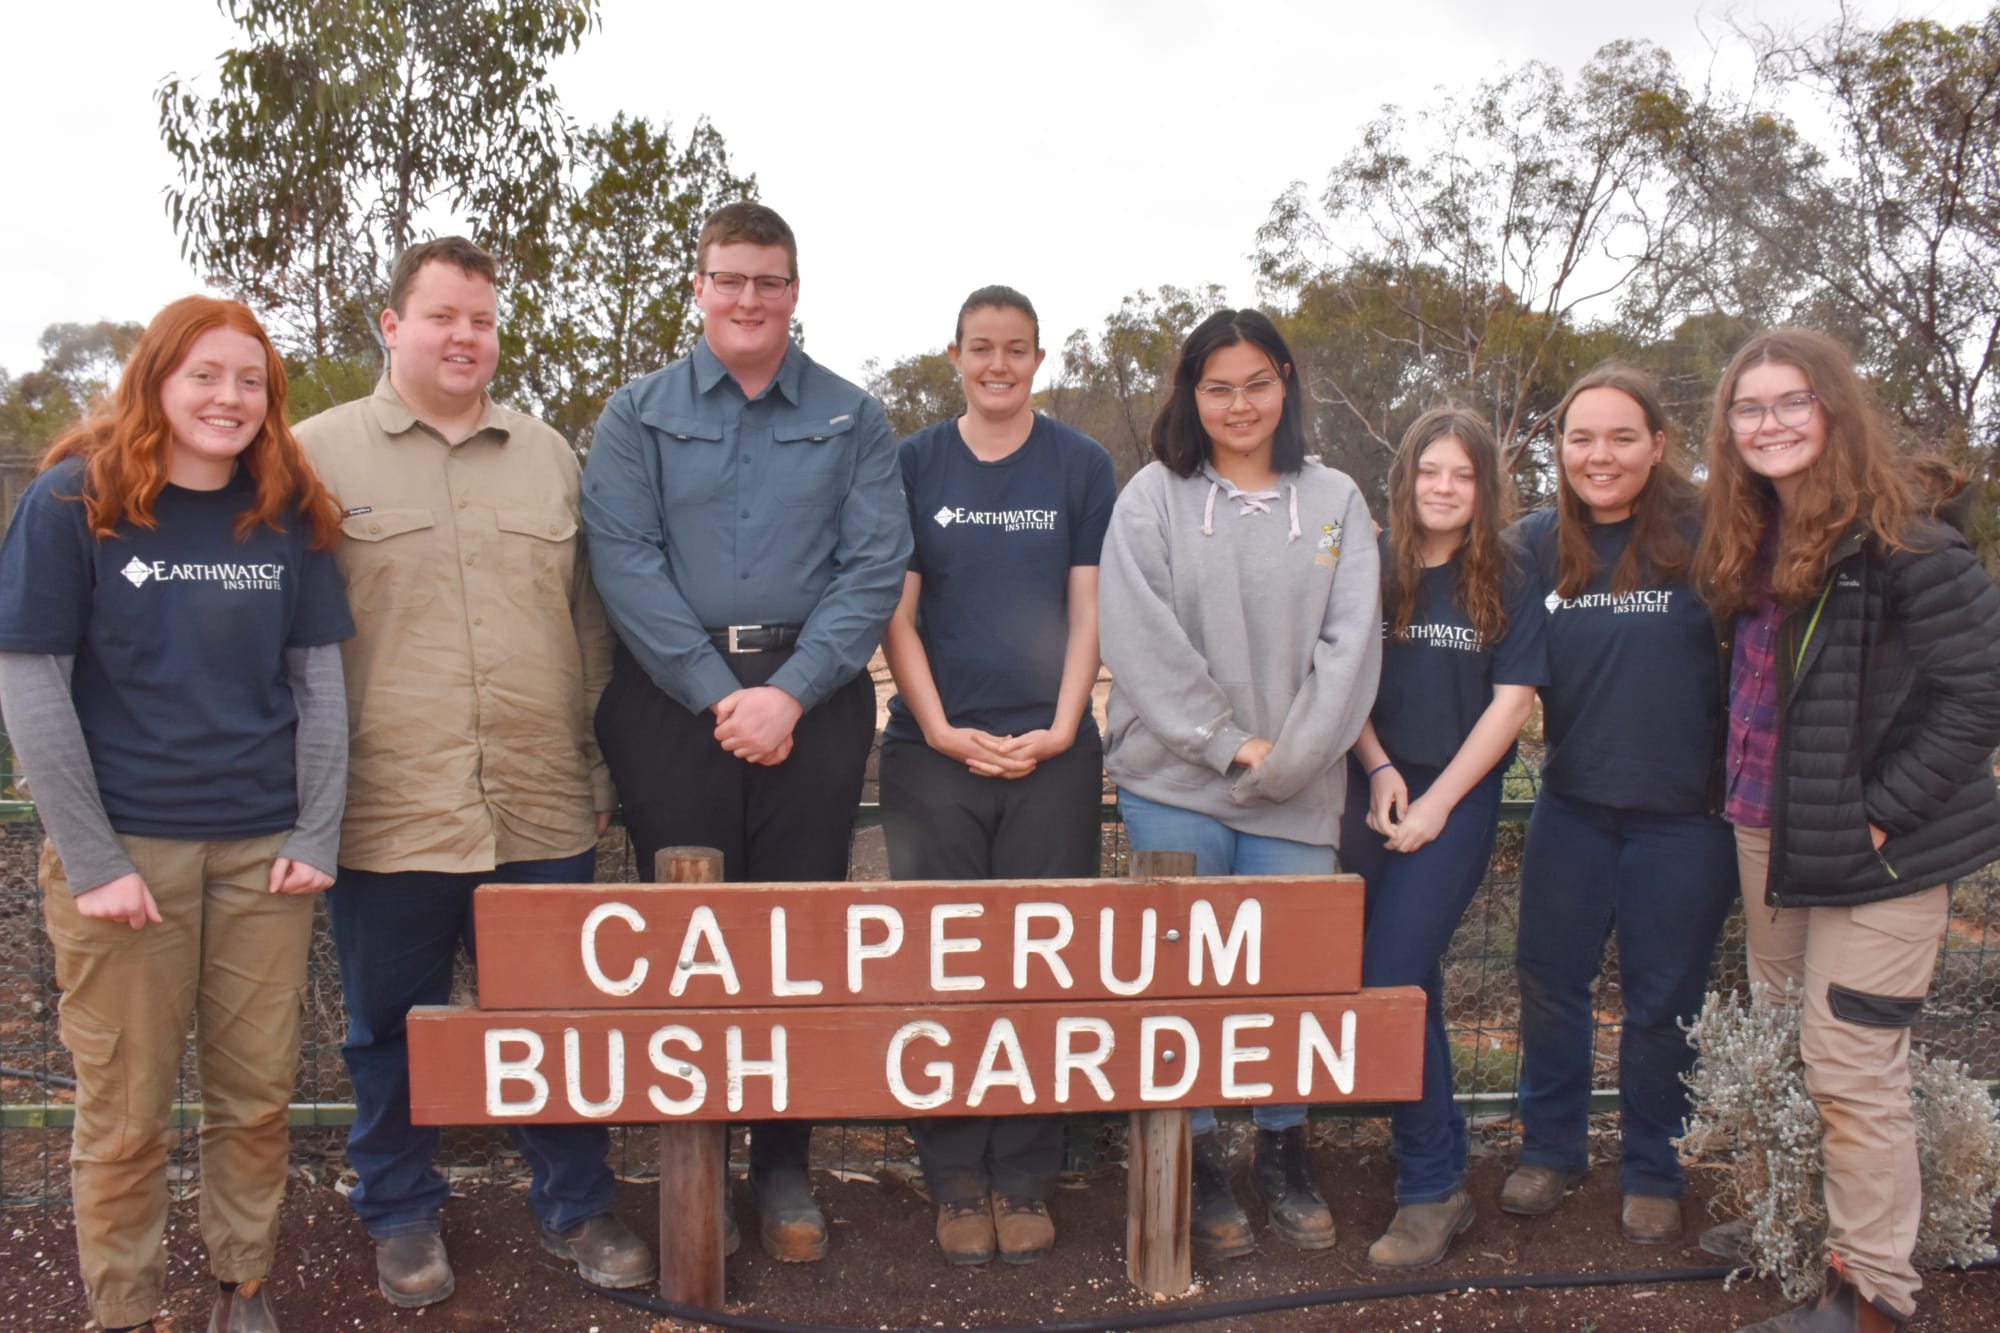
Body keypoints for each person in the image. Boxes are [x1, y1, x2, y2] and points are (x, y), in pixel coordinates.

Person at [296, 237, 653, 1308]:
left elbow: (588, 627)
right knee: (389, 1026)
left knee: (551, 1020)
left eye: (484, 319)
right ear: (390, 325)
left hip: (542, 802)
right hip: (390, 806)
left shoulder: (550, 457)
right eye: (444, 315)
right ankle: (400, 1209)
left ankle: (575, 1201)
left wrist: (590, 760)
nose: (466, 336)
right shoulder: (313, 456)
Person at [0, 296, 352, 1333]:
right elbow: (30, 686)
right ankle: (128, 1307)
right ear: (157, 378)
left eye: (250, 381)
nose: (228, 398)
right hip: (127, 861)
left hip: (263, 854)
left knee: (257, 1099)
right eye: (205, 374)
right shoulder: (75, 501)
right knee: (125, 1113)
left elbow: (319, 683)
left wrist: (314, 830)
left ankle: (242, 1283)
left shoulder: (285, 507)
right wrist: (92, 855)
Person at [582, 202, 911, 1263]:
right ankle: (700, 1170)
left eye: (768, 281)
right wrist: (717, 690)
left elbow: (873, 565)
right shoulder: (637, 414)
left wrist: (792, 691)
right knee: (694, 948)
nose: (747, 300)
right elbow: (622, 559)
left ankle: (782, 1169)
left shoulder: (852, 416)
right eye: (728, 279)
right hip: (673, 703)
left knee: (793, 944)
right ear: (697, 287)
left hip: (809, 705)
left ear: (794, 291)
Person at [1692, 330, 2000, 1333]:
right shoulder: (1750, 535)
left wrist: (1880, 810)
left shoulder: (1906, 541)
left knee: (1849, 1064)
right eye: (1747, 407)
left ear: (1830, 410)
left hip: (1877, 851)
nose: (1767, 424)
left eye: (1790, 403)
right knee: (1784, 1044)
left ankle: (1872, 1295)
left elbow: (1978, 696)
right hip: (1766, 832)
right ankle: (1798, 1243)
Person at [1098, 308, 1381, 1260]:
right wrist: (1228, 745)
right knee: (1188, 979)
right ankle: (1201, 1158)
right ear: (1191, 394)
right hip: (1173, 782)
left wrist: (1290, 758)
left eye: (1257, 382)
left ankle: (1284, 1151)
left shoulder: (1338, 498)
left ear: (1287, 382)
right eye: (1217, 386)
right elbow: (1137, 639)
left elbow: (1350, 650)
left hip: (1298, 790)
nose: (1239, 403)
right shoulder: (1151, 497)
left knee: (1287, 984)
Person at [879, 285, 1116, 1266]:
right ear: (955, 355)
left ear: (1037, 358)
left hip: (1049, 757)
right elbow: (894, 611)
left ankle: (1023, 1174)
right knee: (944, 967)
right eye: (981, 348)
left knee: (1038, 972)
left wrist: (1064, 728)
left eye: (1015, 350)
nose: (998, 366)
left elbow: (1087, 606)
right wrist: (936, 728)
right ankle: (953, 1176)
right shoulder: (911, 463)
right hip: (933, 756)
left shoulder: (1080, 464)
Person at [1503, 363, 1737, 1245]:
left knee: (1661, 1002)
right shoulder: (1532, 543)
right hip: (1573, 808)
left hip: (1685, 820)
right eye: (1580, 437)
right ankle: (1552, 1148)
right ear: (1558, 448)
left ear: (1659, 445)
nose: (1599, 456)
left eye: (1621, 437)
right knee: (1550, 983)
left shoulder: (1710, 530)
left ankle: (1653, 1166)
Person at [1341, 408, 1546, 1268]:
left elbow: (1513, 701)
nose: (1445, 489)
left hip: (1454, 801)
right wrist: (1383, 771)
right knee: (1397, 968)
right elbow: (1338, 674)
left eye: (1463, 475)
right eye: (1431, 472)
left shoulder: (1508, 571)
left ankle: (1430, 1184)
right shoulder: (1370, 564)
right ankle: (1441, 1156)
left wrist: (1436, 802)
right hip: (1366, 785)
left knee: (1390, 976)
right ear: (1406, 477)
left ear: (1484, 486)